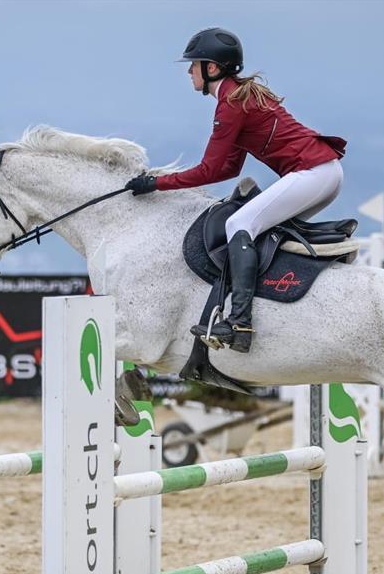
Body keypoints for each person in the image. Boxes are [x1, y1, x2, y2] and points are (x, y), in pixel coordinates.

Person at [126, 27, 347, 353]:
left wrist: (158, 183)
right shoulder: (237, 96)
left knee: (238, 224)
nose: (189, 71)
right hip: (323, 173)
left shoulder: (230, 103)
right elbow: (229, 168)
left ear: (212, 68)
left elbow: (211, 170)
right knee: (257, 227)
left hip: (313, 173)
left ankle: (240, 322)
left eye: (194, 64)